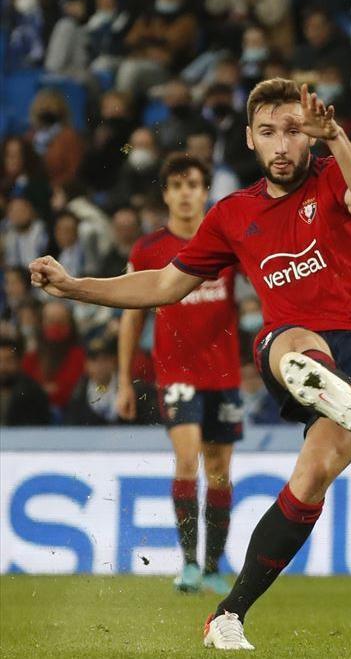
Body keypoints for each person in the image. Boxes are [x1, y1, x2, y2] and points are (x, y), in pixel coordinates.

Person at [29, 78, 351, 651]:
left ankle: (227, 614)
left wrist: (339, 140)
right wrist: (76, 286)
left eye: (294, 132)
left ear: (309, 137)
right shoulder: (233, 214)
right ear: (250, 139)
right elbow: (164, 283)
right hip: (292, 342)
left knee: (313, 476)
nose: (282, 145)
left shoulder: (333, 177)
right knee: (294, 339)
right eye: (269, 133)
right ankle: (316, 378)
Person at [115, 153, 243, 596]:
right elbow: (132, 317)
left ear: (205, 191)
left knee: (220, 470)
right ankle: (188, 564)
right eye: (177, 185)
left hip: (224, 373)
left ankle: (211, 567)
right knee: (188, 457)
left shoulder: (228, 242)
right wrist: (123, 380)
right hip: (176, 372)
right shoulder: (149, 249)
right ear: (166, 194)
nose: (185, 192)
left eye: (193, 184)